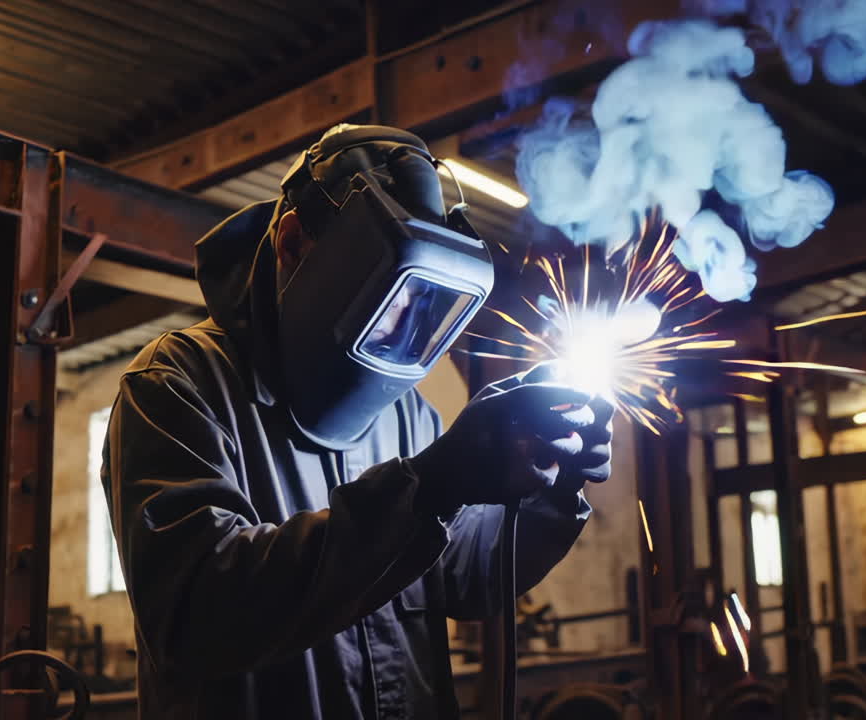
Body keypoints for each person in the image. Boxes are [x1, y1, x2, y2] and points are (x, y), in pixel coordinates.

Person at [102, 124, 614, 719]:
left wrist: (550, 485)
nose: (402, 330)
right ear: (293, 244)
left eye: (425, 303)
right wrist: (428, 488)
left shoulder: (407, 412)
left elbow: (468, 579)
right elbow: (199, 610)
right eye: (389, 293)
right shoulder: (178, 384)